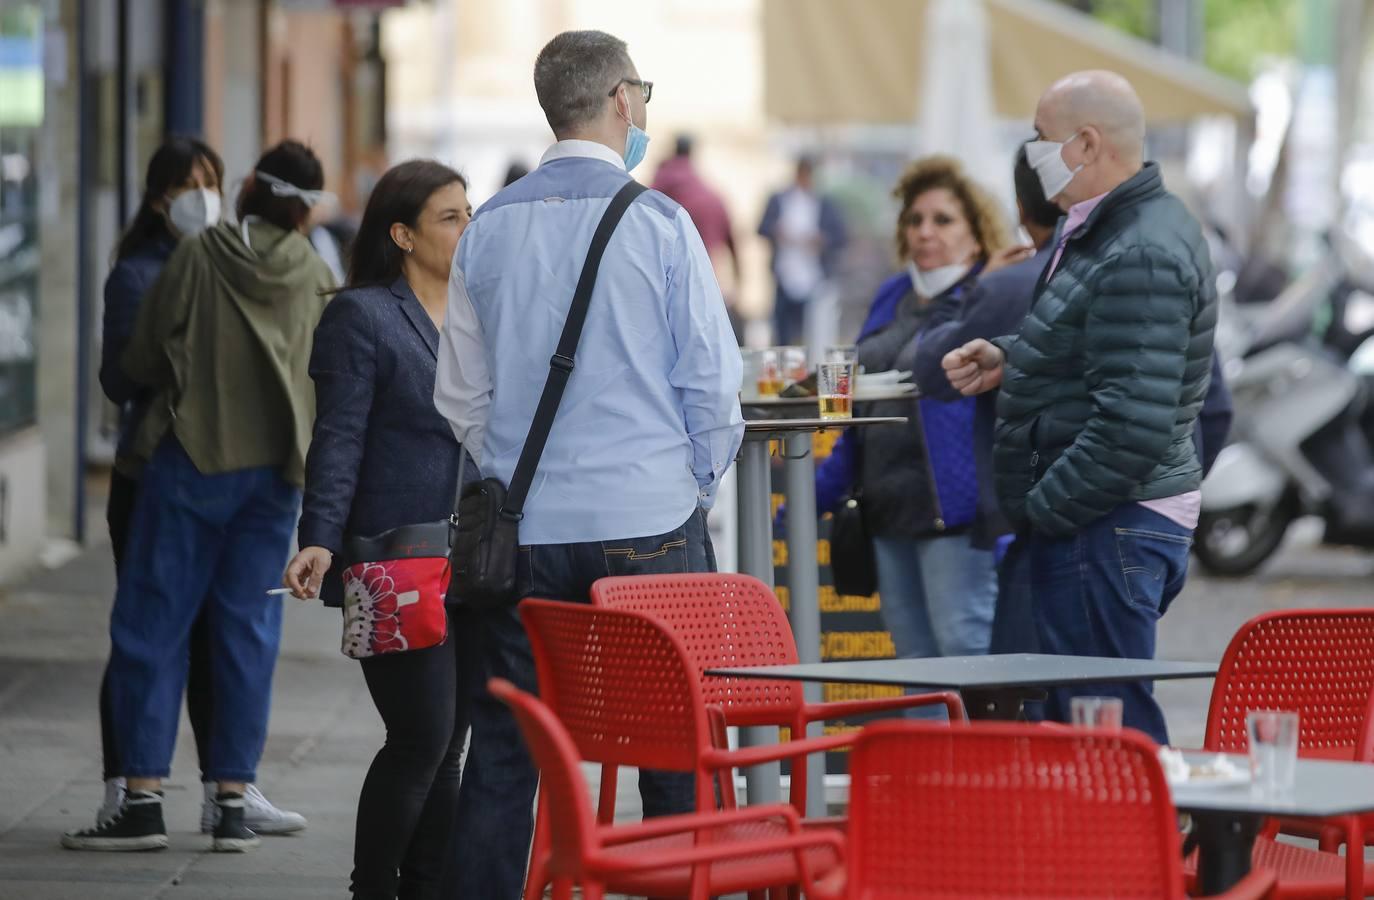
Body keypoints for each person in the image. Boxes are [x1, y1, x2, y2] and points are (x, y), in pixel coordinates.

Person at [433, 30, 743, 899]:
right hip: (647, 527)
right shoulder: (660, 223)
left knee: (504, 747)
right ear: (620, 102)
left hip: (523, 536)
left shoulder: (487, 227)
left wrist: (512, 471)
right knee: (673, 748)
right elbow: (714, 390)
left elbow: (460, 395)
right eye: (640, 91)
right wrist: (689, 489)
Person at [63, 140, 336, 853]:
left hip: (193, 462)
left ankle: (143, 801)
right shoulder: (312, 270)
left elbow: (143, 357)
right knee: (247, 636)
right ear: (307, 208)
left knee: (153, 629)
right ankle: (233, 801)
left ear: (248, 187)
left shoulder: (202, 254)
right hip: (275, 477)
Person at [943, 71, 1218, 744]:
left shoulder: (1142, 248)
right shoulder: (1109, 229)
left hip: (1107, 522)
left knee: (1107, 732)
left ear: (1087, 143)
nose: (1032, 152)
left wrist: (1043, 511)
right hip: (1102, 518)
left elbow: (1132, 424)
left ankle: (1138, 851)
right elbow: (1107, 348)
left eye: (1041, 138)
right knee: (1084, 726)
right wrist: (1015, 356)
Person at [282, 160, 476, 900]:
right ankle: (374, 889)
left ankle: (425, 889)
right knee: (421, 735)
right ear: (402, 234)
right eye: (450, 217)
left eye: (469, 212)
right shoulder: (361, 316)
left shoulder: (476, 315)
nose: (468, 228)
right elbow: (338, 439)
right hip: (394, 565)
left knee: (452, 743)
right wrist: (319, 537)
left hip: (473, 560)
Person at [812, 156, 1010, 662]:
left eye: (943, 220)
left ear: (977, 230)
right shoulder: (893, 292)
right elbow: (850, 398)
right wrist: (815, 492)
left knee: (966, 652)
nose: (925, 232)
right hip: (885, 508)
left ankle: (980, 748)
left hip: (956, 516)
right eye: (915, 220)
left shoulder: (991, 292)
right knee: (916, 667)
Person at [652, 134, 744, 342]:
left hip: (667, 289)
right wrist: (738, 286)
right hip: (701, 284)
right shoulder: (710, 193)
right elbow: (733, 244)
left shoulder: (661, 184)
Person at [758, 155, 847, 345]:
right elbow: (761, 227)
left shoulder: (824, 203)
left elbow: (840, 236)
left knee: (813, 333)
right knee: (783, 333)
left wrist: (822, 240)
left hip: (814, 277)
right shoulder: (779, 199)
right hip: (784, 275)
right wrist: (777, 231)